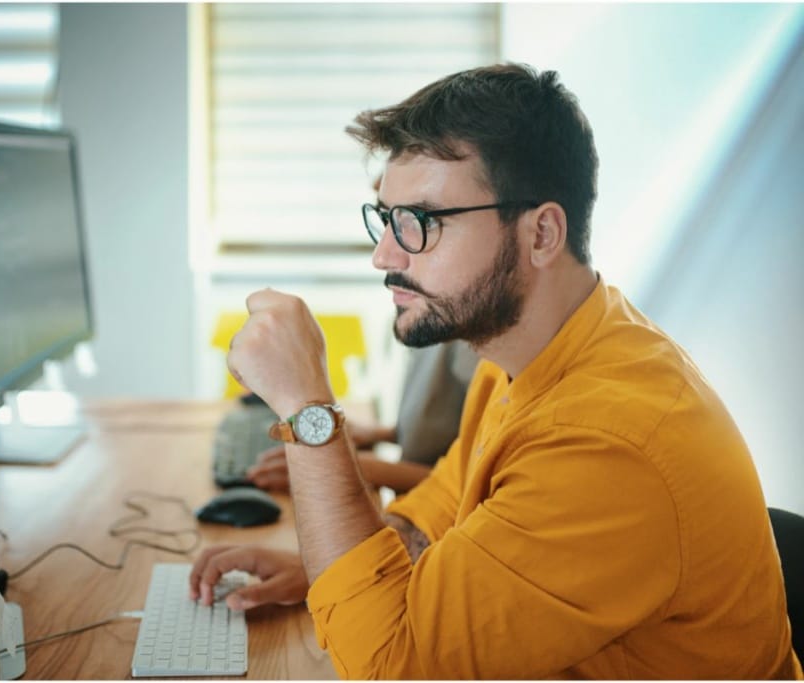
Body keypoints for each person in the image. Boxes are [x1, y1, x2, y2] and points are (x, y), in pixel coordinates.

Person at [188, 64, 802, 678]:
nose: (385, 254)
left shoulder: (608, 444)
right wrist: (327, 568)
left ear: (541, 233)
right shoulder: (528, 348)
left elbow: (390, 668)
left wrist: (307, 408)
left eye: (421, 223)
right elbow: (441, 508)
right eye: (386, 217)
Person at [247, 340, 478, 494]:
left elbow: (476, 487)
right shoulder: (433, 313)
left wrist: (341, 468)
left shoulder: (478, 348)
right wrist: (381, 434)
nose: (382, 263)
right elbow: (454, 427)